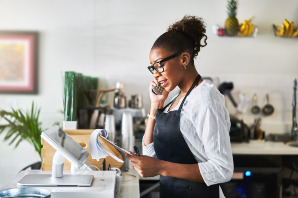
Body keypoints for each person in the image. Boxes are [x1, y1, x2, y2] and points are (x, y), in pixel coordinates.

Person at [126, 15, 233, 198]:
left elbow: (223, 168)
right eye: (153, 68)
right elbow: (151, 154)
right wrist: (155, 105)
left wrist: (161, 167)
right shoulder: (174, 98)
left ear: (184, 59)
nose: (156, 75)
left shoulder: (205, 97)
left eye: (159, 65)